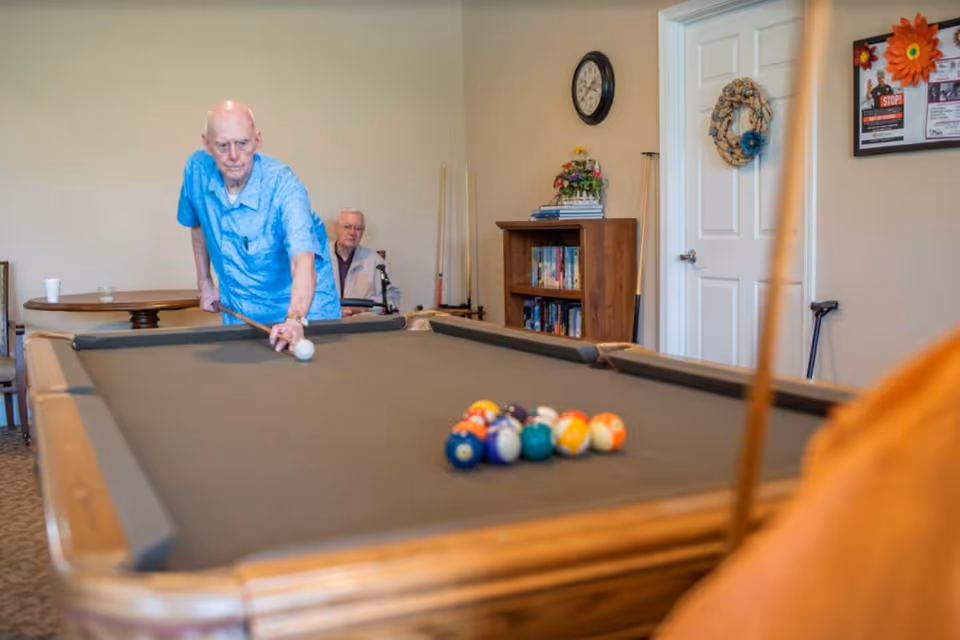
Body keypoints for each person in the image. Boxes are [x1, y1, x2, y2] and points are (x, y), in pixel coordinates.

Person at [177, 100, 340, 352]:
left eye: (243, 143)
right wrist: (205, 283)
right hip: (241, 302)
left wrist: (295, 319)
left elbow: (302, 260)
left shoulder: (285, 187)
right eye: (222, 145)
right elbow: (198, 224)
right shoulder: (196, 170)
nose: (233, 156)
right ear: (206, 144)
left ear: (258, 141)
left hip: (303, 305)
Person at [330, 208, 400, 316]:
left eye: (358, 228)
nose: (352, 232)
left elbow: (391, 300)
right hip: (325, 325)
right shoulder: (318, 258)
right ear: (336, 228)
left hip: (362, 327)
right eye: (347, 226)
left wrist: (361, 309)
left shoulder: (375, 262)